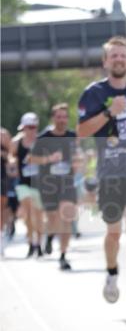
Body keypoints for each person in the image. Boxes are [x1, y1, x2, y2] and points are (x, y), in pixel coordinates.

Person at [77, 36, 126, 318]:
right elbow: (82, 132)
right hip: (109, 173)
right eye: (114, 56)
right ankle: (111, 271)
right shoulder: (94, 93)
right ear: (105, 62)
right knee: (113, 234)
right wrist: (110, 112)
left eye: (123, 55)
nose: (119, 59)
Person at [33, 103, 79, 271]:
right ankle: (50, 236)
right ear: (53, 118)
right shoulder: (43, 137)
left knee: (66, 216)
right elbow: (31, 159)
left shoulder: (72, 136)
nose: (62, 120)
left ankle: (63, 256)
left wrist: (78, 162)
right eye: (58, 117)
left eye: (64, 117)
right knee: (52, 218)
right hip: (48, 183)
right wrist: (48, 159)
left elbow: (77, 155)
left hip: (67, 182)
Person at [10, 113, 43, 257]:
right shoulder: (16, 142)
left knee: (38, 215)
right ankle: (30, 242)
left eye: (33, 127)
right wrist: (12, 163)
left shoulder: (41, 142)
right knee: (28, 212)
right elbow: (11, 157)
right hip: (23, 183)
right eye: (27, 127)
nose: (30, 130)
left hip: (40, 183)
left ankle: (39, 243)